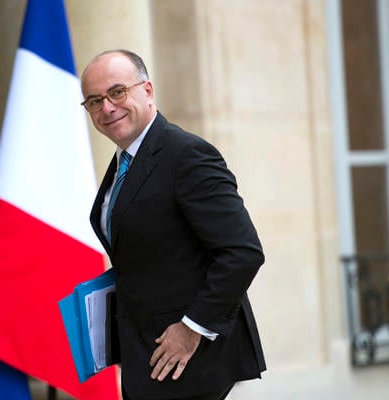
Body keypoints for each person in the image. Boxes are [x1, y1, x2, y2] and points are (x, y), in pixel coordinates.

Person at [81, 49, 266, 400]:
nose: (107, 107)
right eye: (94, 100)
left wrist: (192, 329)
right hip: (143, 356)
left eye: (117, 92)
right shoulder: (124, 162)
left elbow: (243, 253)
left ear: (147, 90)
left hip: (188, 362)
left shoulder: (187, 155)